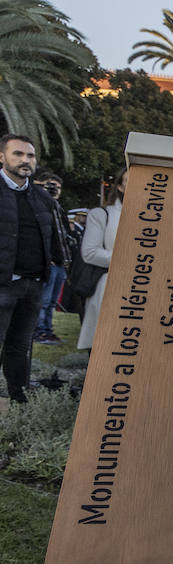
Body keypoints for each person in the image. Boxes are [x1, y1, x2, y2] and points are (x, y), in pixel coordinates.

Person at [0, 135, 65, 402]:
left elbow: (54, 238)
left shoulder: (41, 197)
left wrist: (58, 263)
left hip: (33, 285)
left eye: (30, 156)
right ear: (2, 157)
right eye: (18, 154)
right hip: (3, 284)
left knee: (21, 348)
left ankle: (20, 402)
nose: (25, 160)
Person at [79, 169, 126, 352]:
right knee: (104, 344)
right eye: (129, 181)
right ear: (120, 187)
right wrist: (130, 260)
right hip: (108, 285)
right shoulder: (102, 214)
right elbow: (90, 252)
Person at [32, 171, 72, 346]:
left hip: (60, 264)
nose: (55, 190)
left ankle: (46, 330)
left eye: (58, 187)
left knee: (51, 302)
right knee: (44, 301)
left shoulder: (58, 208)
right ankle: (39, 331)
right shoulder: (38, 205)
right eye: (50, 185)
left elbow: (64, 237)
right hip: (49, 264)